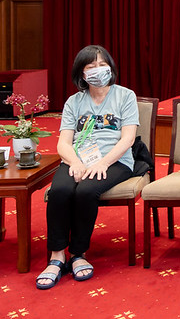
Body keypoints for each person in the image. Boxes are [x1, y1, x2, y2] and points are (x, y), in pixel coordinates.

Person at [36, 45, 139, 290]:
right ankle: (57, 256)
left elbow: (128, 139)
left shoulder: (125, 96)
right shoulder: (74, 102)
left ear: (110, 68)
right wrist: (76, 162)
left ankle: (78, 253)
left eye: (102, 65)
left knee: (86, 191)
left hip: (115, 160)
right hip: (78, 159)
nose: (98, 70)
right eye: (91, 67)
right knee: (59, 191)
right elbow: (63, 142)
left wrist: (103, 162)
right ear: (81, 73)